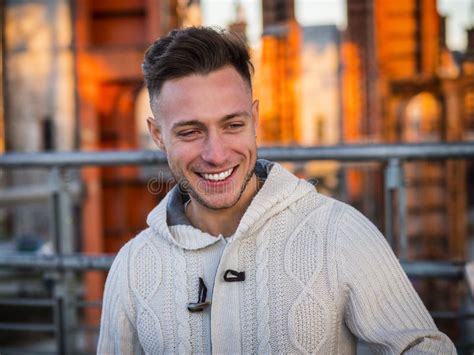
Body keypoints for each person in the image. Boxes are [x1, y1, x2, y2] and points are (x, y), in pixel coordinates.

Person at [97, 26, 456, 354]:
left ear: (254, 119)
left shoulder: (339, 232)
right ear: (158, 134)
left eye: (233, 125)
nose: (216, 154)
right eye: (190, 132)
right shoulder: (132, 268)